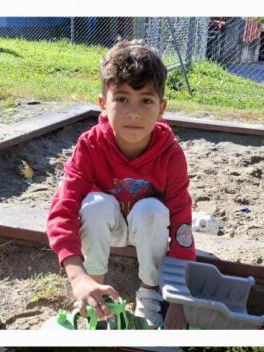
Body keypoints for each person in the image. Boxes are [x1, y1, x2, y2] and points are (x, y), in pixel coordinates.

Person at [46, 39, 193, 329]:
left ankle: (149, 293)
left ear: (161, 108)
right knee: (95, 204)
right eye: (122, 98)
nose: (133, 112)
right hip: (107, 228)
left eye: (146, 101)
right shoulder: (89, 146)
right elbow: (62, 211)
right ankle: (95, 289)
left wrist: (178, 302)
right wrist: (78, 278)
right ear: (103, 104)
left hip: (147, 232)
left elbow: (181, 225)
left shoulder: (171, 155)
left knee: (151, 209)